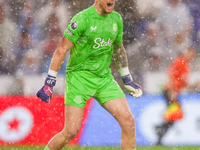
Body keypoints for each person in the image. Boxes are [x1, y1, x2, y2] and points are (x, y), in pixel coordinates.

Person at [36, 0, 142, 150]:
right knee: (71, 131)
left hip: (104, 78)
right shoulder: (82, 19)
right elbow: (61, 50)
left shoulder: (116, 19)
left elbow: (119, 49)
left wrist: (127, 79)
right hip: (79, 78)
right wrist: (49, 82)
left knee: (128, 121)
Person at [155, 47, 197, 145]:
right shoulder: (179, 61)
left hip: (173, 92)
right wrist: (172, 90)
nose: (192, 56)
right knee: (175, 114)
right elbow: (171, 75)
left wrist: (195, 84)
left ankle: (159, 130)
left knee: (174, 115)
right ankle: (159, 130)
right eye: (191, 53)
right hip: (170, 91)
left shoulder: (186, 66)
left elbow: (183, 83)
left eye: (193, 55)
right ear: (186, 52)